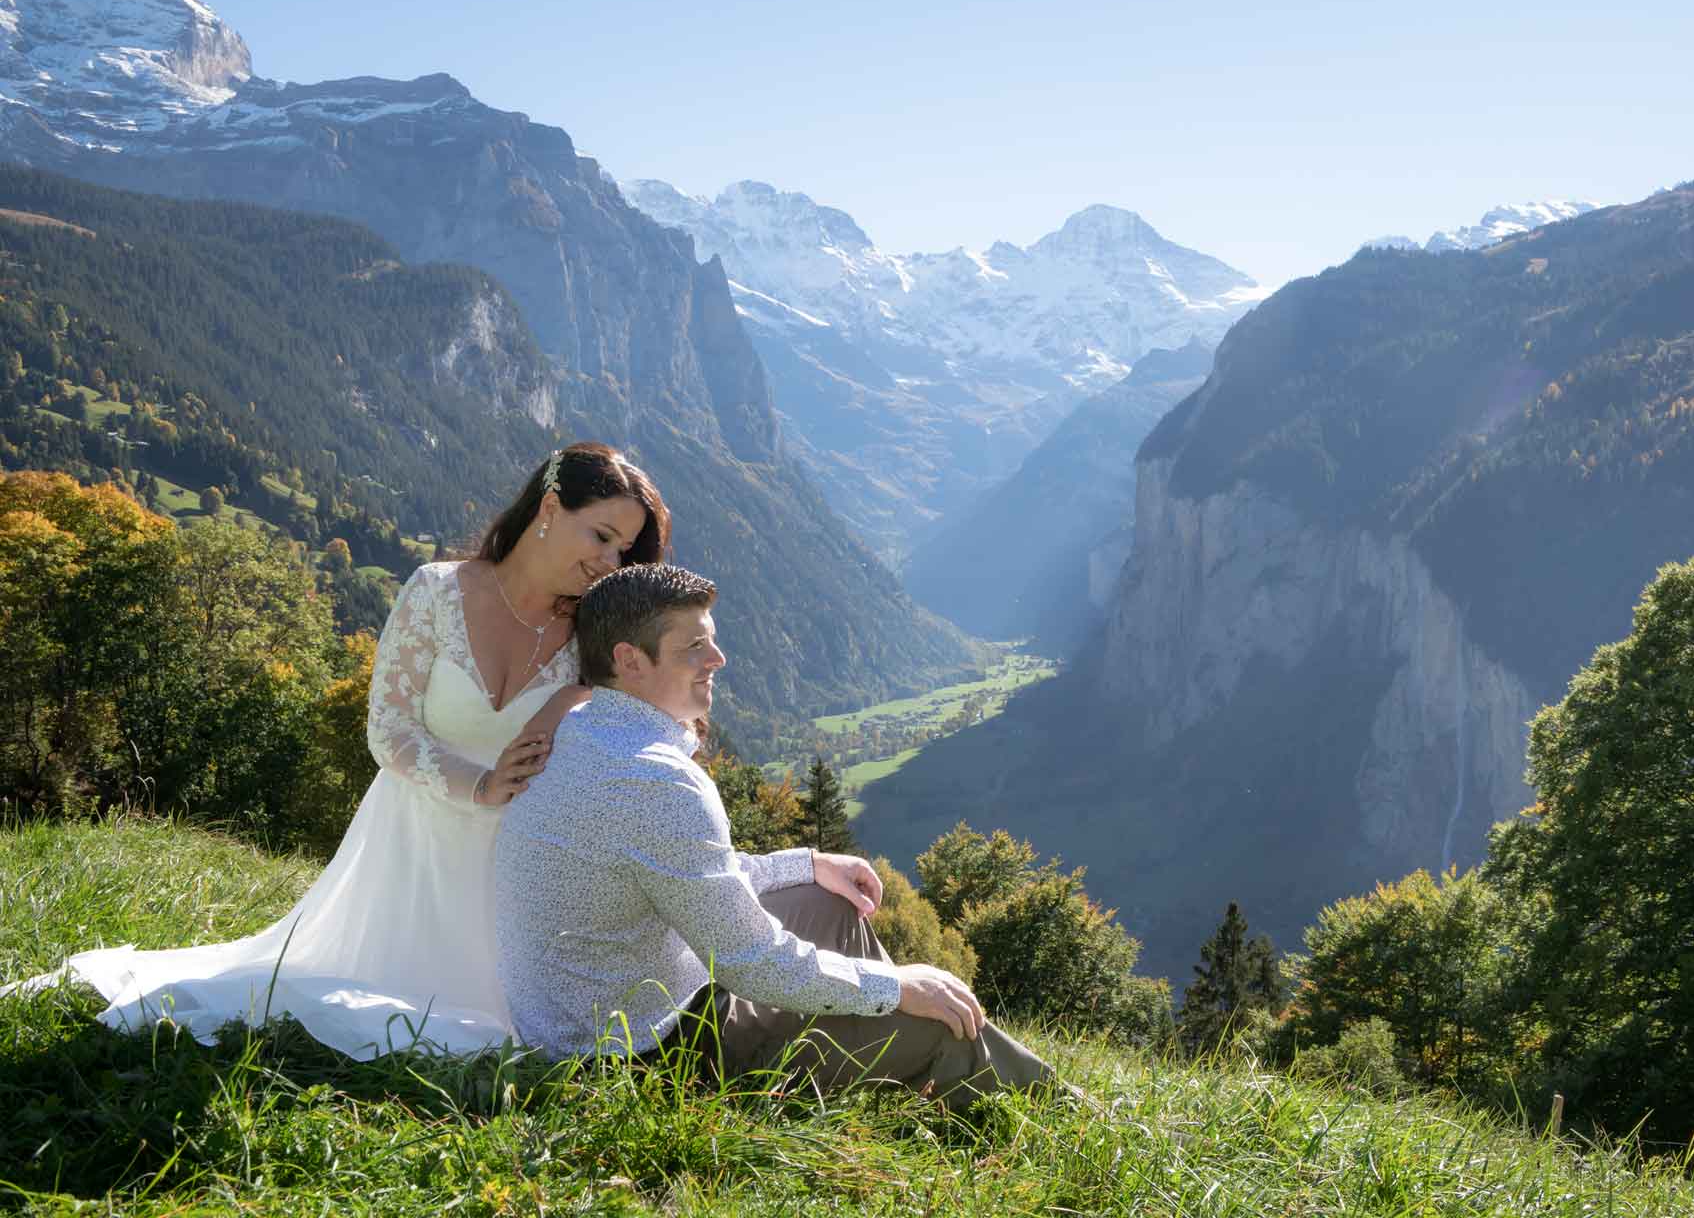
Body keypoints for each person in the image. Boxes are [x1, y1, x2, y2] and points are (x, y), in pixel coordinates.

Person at [14, 442, 670, 1058]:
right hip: (407, 849)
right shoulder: (438, 591)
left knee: (493, 1032)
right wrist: (478, 784)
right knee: (337, 999)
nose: (610, 562)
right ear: (551, 509)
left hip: (512, 875)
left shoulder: (593, 636)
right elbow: (389, 731)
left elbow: (638, 730)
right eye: (603, 537)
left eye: (624, 551)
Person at [495, 563, 1054, 1108]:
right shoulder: (654, 778)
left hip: (586, 1021)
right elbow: (749, 962)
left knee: (828, 901)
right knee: (939, 1028)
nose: (718, 658)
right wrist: (897, 987)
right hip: (648, 1056)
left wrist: (808, 863)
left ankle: (889, 1065)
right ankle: (1060, 1117)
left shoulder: (581, 732)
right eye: (694, 647)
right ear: (629, 660)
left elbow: (693, 877)